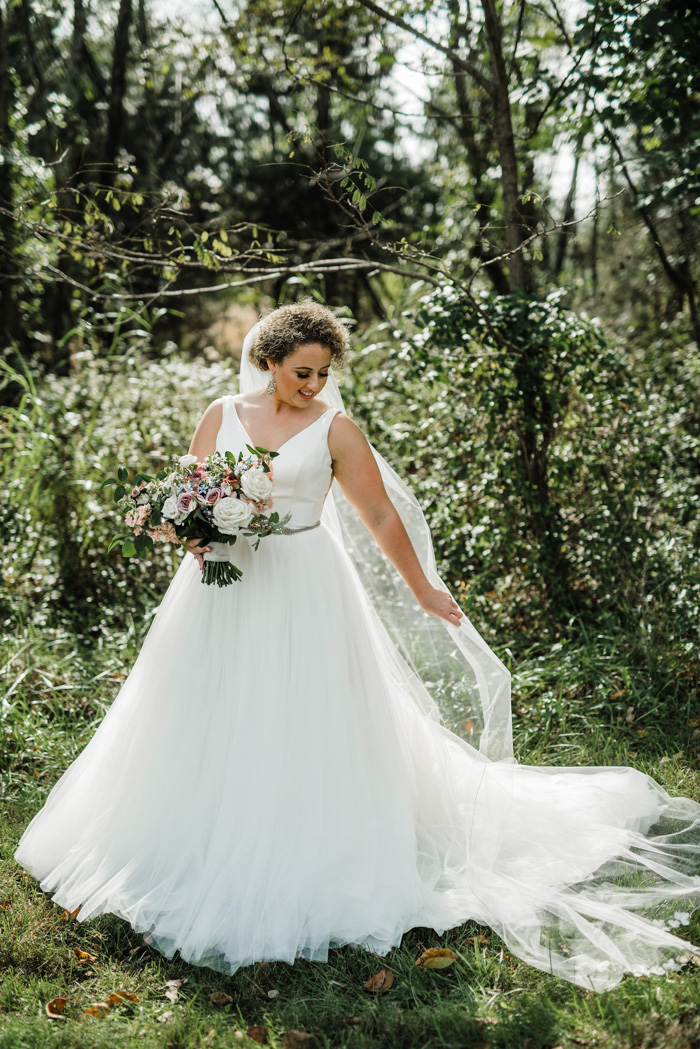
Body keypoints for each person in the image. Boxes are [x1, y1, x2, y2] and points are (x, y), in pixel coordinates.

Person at [14, 301, 700, 992]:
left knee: (309, 713)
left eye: (321, 373)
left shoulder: (337, 430)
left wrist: (425, 587)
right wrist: (185, 529)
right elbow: (186, 493)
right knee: (207, 708)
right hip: (222, 586)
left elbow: (377, 514)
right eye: (300, 372)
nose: (312, 384)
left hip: (307, 583)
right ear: (268, 361)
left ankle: (311, 839)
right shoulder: (221, 413)